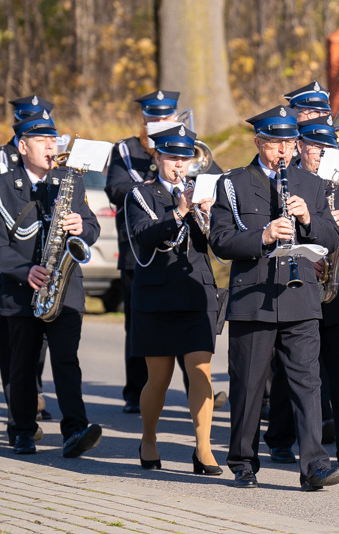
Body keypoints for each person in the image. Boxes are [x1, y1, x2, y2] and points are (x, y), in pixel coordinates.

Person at [209, 104, 339, 491]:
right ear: (258, 142)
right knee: (249, 386)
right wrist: (264, 236)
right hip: (254, 298)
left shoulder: (312, 184)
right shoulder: (233, 183)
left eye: (289, 142)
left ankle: (314, 464)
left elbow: (332, 238)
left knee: (307, 383)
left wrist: (307, 221)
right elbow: (220, 240)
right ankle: (244, 460)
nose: (283, 151)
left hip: (301, 298)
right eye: (274, 143)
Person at [263, 116, 339, 469]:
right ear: (300, 147)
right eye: (314, 147)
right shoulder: (287, 179)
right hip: (299, 282)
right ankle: (280, 439)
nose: (321, 154)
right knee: (291, 367)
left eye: (327, 148)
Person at [104, 89, 224, 414]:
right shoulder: (127, 150)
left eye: (164, 117)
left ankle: (195, 391)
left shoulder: (189, 153)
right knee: (140, 328)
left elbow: (219, 182)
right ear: (144, 119)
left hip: (189, 262)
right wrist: (155, 183)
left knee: (192, 336)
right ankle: (135, 391)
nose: (158, 122)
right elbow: (115, 189)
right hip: (141, 254)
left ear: (175, 117)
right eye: (152, 117)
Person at [0, 109, 102, 457]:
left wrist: (81, 226)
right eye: (42, 140)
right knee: (22, 363)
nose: (51, 146)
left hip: (65, 287)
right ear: (23, 146)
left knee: (66, 360)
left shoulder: (68, 180)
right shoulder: (3, 185)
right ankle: (23, 430)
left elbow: (92, 227)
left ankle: (75, 429)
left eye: (53, 140)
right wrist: (22, 270)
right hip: (20, 290)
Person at [125, 124, 221, 475]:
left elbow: (220, 243)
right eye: (172, 158)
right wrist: (179, 212)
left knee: (201, 371)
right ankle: (148, 438)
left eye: (185, 158)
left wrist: (209, 214)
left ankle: (204, 449)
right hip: (157, 296)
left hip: (197, 291)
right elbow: (142, 236)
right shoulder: (140, 194)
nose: (179, 165)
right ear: (157, 156)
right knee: (159, 377)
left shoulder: (201, 191)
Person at [1, 96, 54, 445]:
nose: (49, 143)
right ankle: (20, 423)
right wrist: (23, 269)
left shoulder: (58, 173)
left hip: (45, 280)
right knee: (15, 359)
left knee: (35, 355)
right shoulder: (5, 170)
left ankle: (30, 408)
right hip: (10, 280)